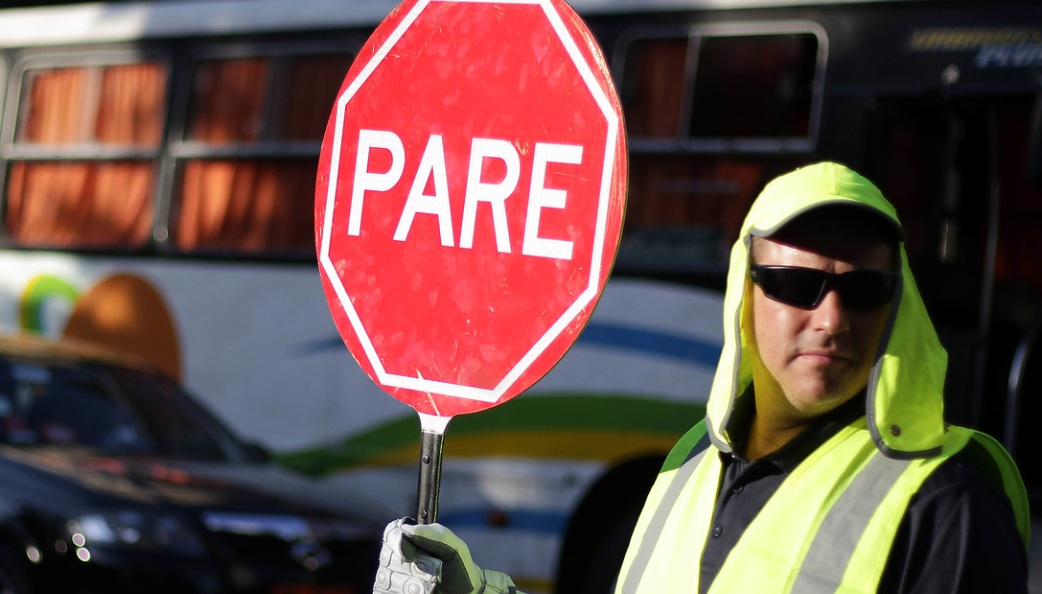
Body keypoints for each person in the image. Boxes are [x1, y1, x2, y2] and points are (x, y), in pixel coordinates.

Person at [372, 162, 1031, 594]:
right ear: (745, 295)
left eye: (864, 290)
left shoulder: (949, 502)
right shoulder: (689, 462)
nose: (832, 320)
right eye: (798, 285)